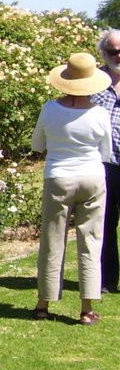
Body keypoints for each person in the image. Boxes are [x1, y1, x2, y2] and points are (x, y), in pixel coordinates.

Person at [30, 52, 111, 325]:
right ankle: (87, 308)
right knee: (91, 241)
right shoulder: (100, 113)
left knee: (53, 240)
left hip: (58, 177)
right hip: (92, 177)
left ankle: (43, 303)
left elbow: (36, 144)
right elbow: (106, 151)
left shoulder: (50, 109)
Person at [91, 29, 120, 294]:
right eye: (113, 51)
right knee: (106, 222)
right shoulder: (93, 81)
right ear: (104, 53)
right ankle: (108, 280)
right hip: (105, 163)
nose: (118, 56)